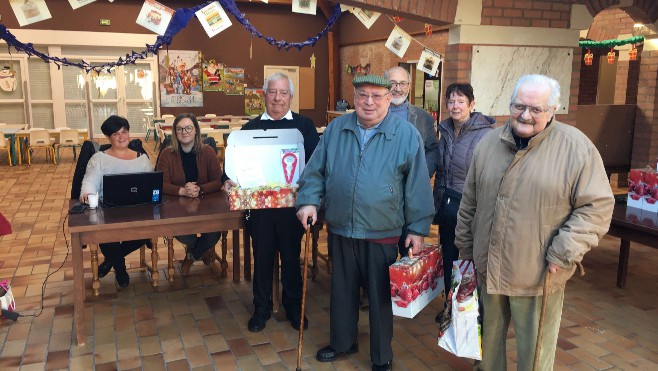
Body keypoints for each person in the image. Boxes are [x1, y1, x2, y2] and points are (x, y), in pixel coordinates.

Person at [454, 74, 614, 370]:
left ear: (553, 110)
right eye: (519, 106)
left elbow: (597, 207)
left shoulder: (575, 148)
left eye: (536, 109)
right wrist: (465, 249)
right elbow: (470, 202)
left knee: (535, 355)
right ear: (510, 104)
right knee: (487, 350)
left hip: (538, 273)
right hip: (487, 267)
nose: (525, 115)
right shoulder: (489, 143)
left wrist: (563, 251)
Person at [295, 75, 435, 371]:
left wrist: (418, 228)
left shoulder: (406, 134)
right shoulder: (336, 128)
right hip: (342, 227)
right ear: (354, 98)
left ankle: (381, 354)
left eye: (376, 96)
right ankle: (343, 342)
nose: (368, 102)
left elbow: (418, 186)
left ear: (388, 98)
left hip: (382, 230)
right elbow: (314, 170)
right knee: (342, 292)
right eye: (362, 95)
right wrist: (308, 199)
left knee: (380, 297)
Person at [221, 73, 319, 333]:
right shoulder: (249, 129)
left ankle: (294, 306)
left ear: (291, 96)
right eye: (272, 92)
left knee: (290, 258)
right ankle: (261, 308)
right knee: (262, 259)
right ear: (264, 95)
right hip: (260, 211)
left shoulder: (304, 126)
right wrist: (227, 179)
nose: (277, 98)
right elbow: (231, 168)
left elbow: (317, 165)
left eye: (283, 92)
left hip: (292, 210)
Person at [430, 83, 495, 323]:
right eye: (451, 101)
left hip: (471, 207)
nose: (455, 106)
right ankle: (449, 304)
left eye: (460, 101)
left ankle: (469, 308)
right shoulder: (445, 130)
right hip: (447, 204)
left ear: (471, 104)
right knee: (449, 257)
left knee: (469, 259)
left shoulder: (486, 134)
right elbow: (441, 170)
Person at [80, 115, 153, 288]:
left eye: (124, 132)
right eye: (116, 134)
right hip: (109, 212)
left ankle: (111, 261)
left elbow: (151, 182)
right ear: (108, 137)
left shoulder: (142, 158)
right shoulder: (98, 159)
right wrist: (87, 194)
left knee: (146, 231)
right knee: (106, 234)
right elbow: (89, 182)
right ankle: (120, 269)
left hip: (138, 210)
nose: (122, 137)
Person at [156, 113, 222, 276]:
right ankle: (203, 251)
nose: (184, 132)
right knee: (181, 230)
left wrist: (200, 189)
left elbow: (218, 180)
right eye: (179, 129)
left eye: (188, 128)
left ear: (195, 131)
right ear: (175, 132)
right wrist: (182, 191)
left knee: (215, 231)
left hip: (206, 205)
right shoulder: (166, 153)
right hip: (177, 207)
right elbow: (159, 183)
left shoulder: (207, 151)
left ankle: (192, 255)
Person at [384, 66, 439, 258]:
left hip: (411, 196)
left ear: (409, 86)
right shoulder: (375, 114)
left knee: (409, 254)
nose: (398, 88)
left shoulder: (423, 117)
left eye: (402, 83)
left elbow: (433, 148)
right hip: (383, 197)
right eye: (393, 83)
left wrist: (422, 173)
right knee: (383, 256)